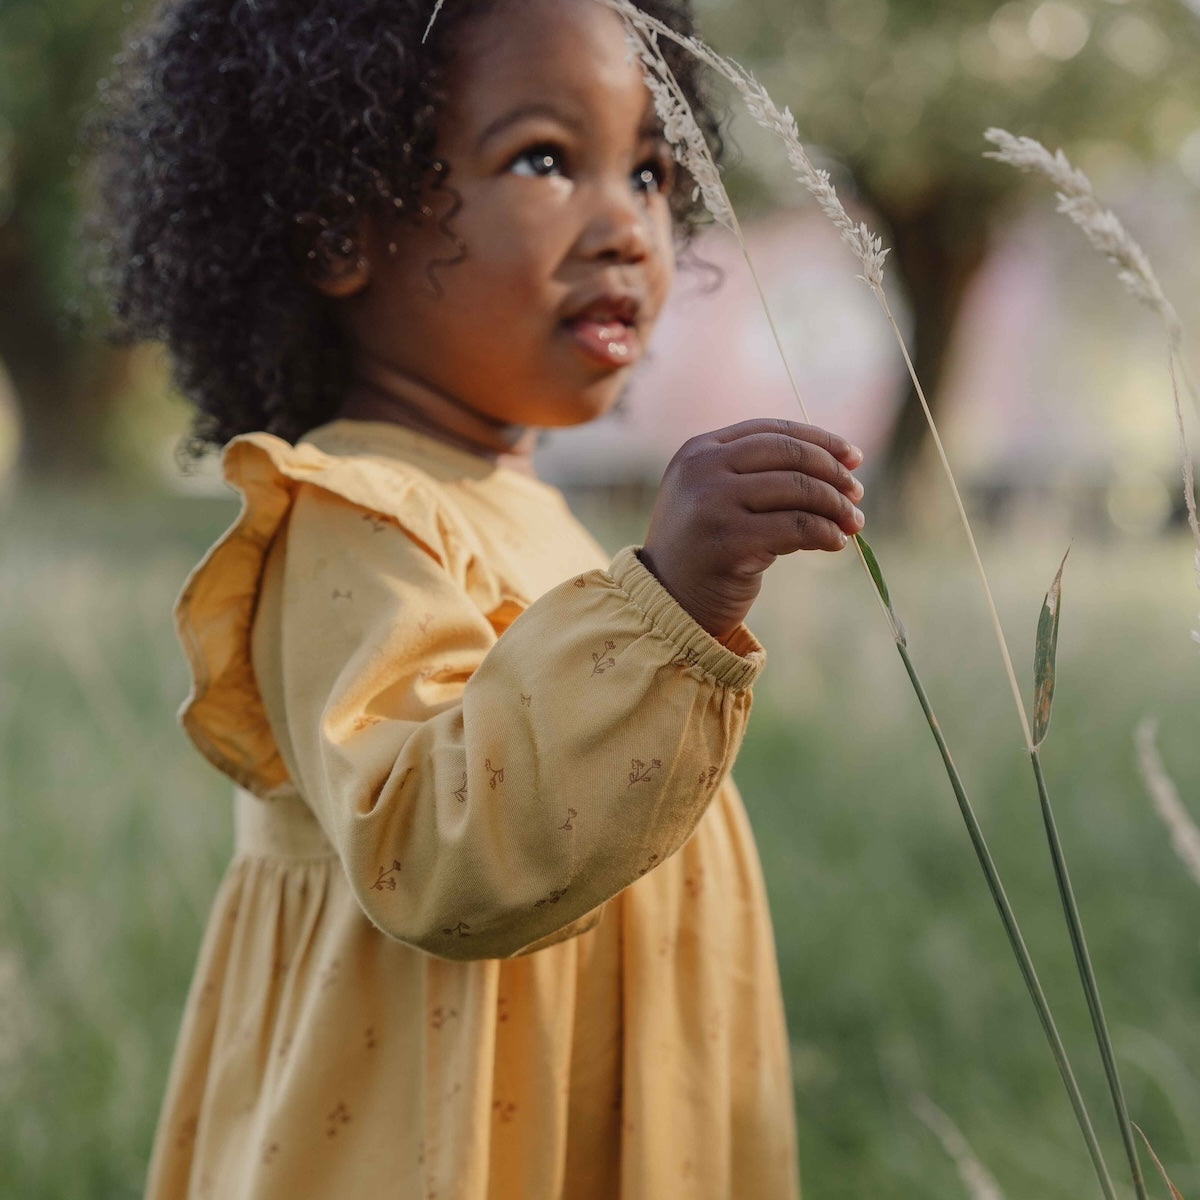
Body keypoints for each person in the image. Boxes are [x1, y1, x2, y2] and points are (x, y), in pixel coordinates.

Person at [90, 0, 866, 1195]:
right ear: (338, 224)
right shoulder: (352, 510)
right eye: (547, 159)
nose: (628, 226)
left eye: (653, 171)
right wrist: (668, 599)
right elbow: (433, 853)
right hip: (419, 1130)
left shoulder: (534, 513)